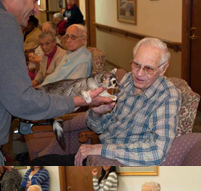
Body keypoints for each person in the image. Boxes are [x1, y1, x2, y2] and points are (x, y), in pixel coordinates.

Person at [0, 0, 113, 166]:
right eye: (35, 1)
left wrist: (81, 100)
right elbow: (22, 100)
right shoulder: (3, 22)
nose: (37, 10)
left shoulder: (80, 58)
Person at [30, 37, 181, 166]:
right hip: (97, 154)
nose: (139, 74)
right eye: (136, 65)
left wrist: (100, 149)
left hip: (117, 162)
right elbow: (98, 127)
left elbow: (156, 152)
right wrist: (97, 113)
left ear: (163, 69)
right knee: (39, 163)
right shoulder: (128, 79)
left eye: (148, 69)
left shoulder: (167, 96)